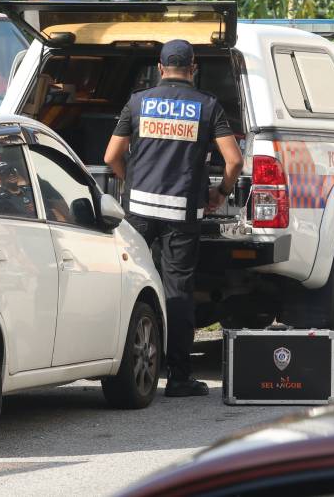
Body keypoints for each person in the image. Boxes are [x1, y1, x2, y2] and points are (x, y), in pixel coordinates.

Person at [104, 39, 243, 397]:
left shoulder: (138, 102)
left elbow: (110, 157)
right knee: (177, 291)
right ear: (193, 68)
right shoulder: (207, 106)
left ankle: (122, 368)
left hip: (140, 212)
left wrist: (129, 183)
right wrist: (221, 192)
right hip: (183, 212)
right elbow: (235, 161)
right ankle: (179, 377)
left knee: (129, 285)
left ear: (161, 67)